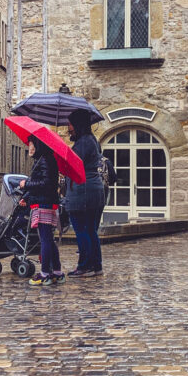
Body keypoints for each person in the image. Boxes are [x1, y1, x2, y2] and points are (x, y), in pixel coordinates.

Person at [19, 136, 65, 287]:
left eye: (32, 144)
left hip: (44, 204)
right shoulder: (45, 159)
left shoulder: (45, 160)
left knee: (45, 239)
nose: (29, 148)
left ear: (39, 145)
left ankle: (45, 274)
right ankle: (57, 272)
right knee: (49, 240)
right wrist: (26, 196)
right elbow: (42, 183)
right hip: (45, 202)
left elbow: (45, 183)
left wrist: (26, 184)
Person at [64, 108, 105, 277]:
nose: (68, 127)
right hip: (92, 190)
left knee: (82, 230)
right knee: (90, 230)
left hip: (83, 192)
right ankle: (96, 266)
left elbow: (72, 164)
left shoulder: (83, 143)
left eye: (71, 124)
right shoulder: (91, 140)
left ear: (78, 124)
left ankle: (85, 266)